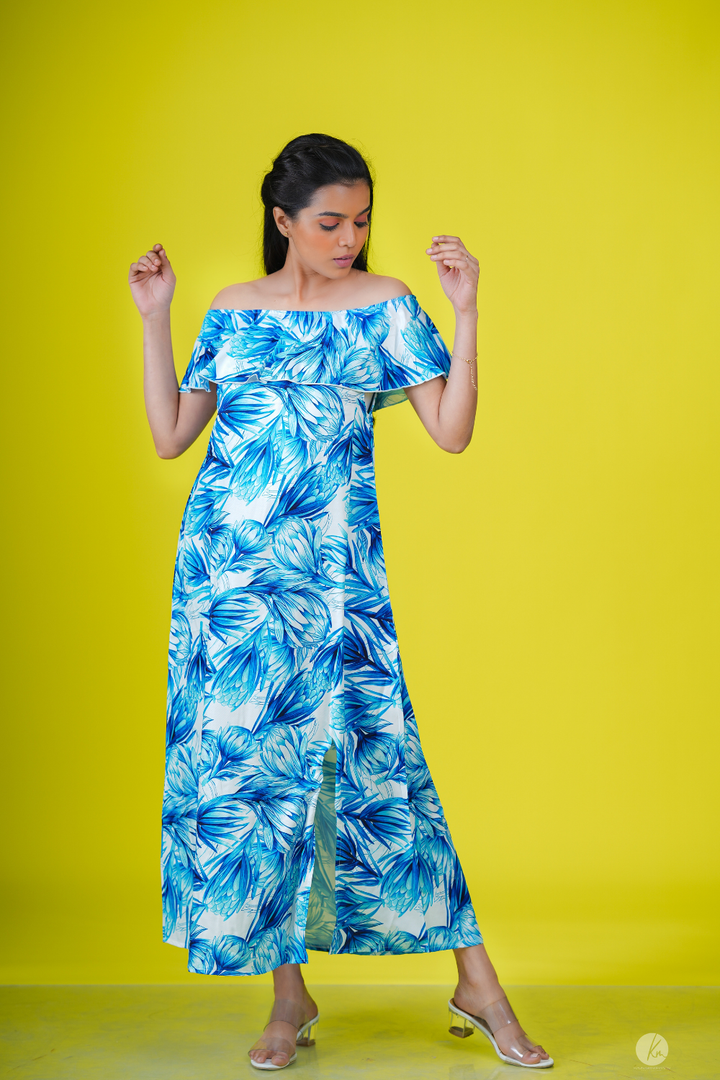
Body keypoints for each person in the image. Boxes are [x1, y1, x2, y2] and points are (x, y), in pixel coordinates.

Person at [128, 133, 552, 1072]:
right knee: (256, 778)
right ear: (282, 220)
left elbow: (451, 432)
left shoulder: (385, 306)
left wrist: (466, 311)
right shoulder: (232, 310)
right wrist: (156, 317)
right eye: (330, 223)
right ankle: (289, 997)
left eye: (360, 221)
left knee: (380, 762)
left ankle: (479, 985)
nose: (349, 238)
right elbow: (170, 435)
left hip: (335, 581)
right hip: (227, 581)